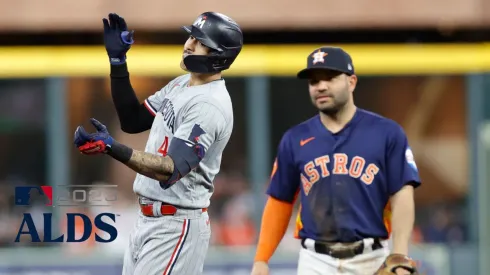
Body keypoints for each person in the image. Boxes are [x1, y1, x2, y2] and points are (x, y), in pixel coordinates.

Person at [73, 11, 243, 275]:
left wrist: (112, 147)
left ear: (219, 55)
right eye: (191, 36)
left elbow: (170, 169)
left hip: (177, 223)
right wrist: (118, 61)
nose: (189, 44)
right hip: (150, 219)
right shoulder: (182, 85)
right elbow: (132, 120)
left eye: (200, 42)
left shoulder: (210, 104)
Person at [250, 46, 422, 275]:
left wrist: (399, 255)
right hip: (315, 261)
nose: (321, 86)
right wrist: (262, 258)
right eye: (314, 81)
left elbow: (402, 194)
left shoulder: (387, 133)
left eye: (330, 78)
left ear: (351, 82)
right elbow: (280, 201)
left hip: (371, 259)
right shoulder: (295, 139)